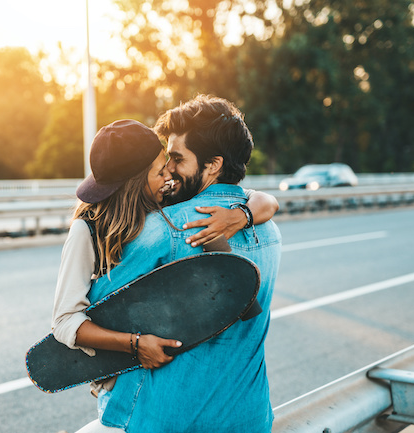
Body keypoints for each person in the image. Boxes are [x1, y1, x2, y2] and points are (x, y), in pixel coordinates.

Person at [70, 95, 282, 433]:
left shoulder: (161, 229)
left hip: (166, 421)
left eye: (178, 158)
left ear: (212, 165)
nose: (170, 169)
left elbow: (97, 311)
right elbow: (263, 201)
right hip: (249, 419)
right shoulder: (267, 230)